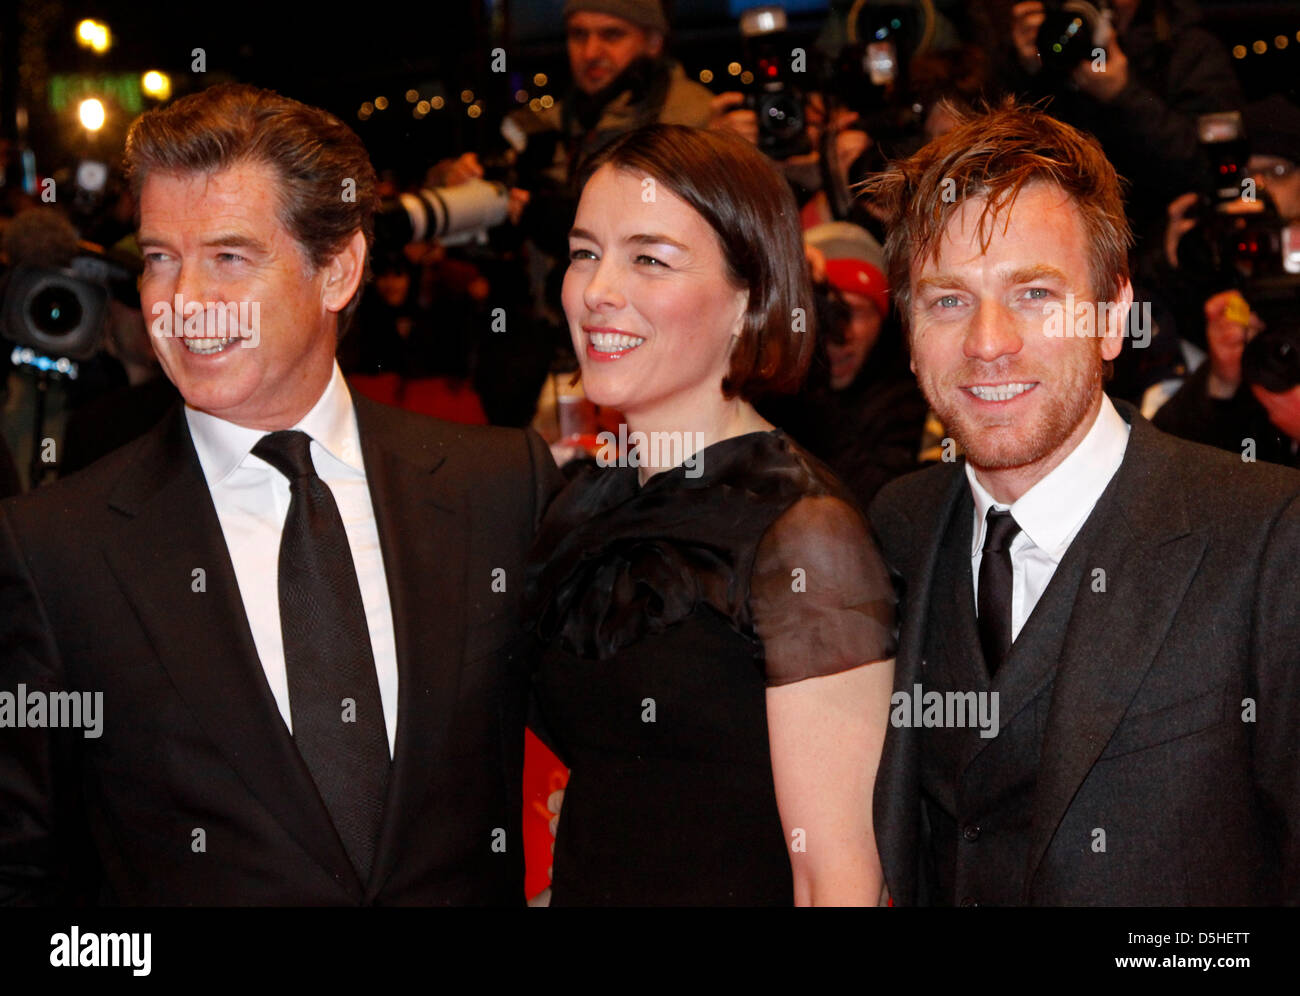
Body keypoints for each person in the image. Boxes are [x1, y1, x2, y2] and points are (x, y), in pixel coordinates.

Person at [0, 84, 561, 905]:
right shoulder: (54, 549)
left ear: (338, 269)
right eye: (160, 258)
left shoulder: (499, 487)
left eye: (229, 257)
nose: (182, 302)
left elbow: (642, 753)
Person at [863, 100, 1300, 905]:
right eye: (947, 299)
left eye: (1033, 293)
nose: (987, 341)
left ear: (1110, 318)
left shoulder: (1271, 538)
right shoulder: (895, 525)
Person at [526, 124, 896, 906]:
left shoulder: (803, 534)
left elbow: (835, 878)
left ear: (748, 301)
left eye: (649, 259)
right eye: (586, 251)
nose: (597, 290)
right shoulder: (589, 501)